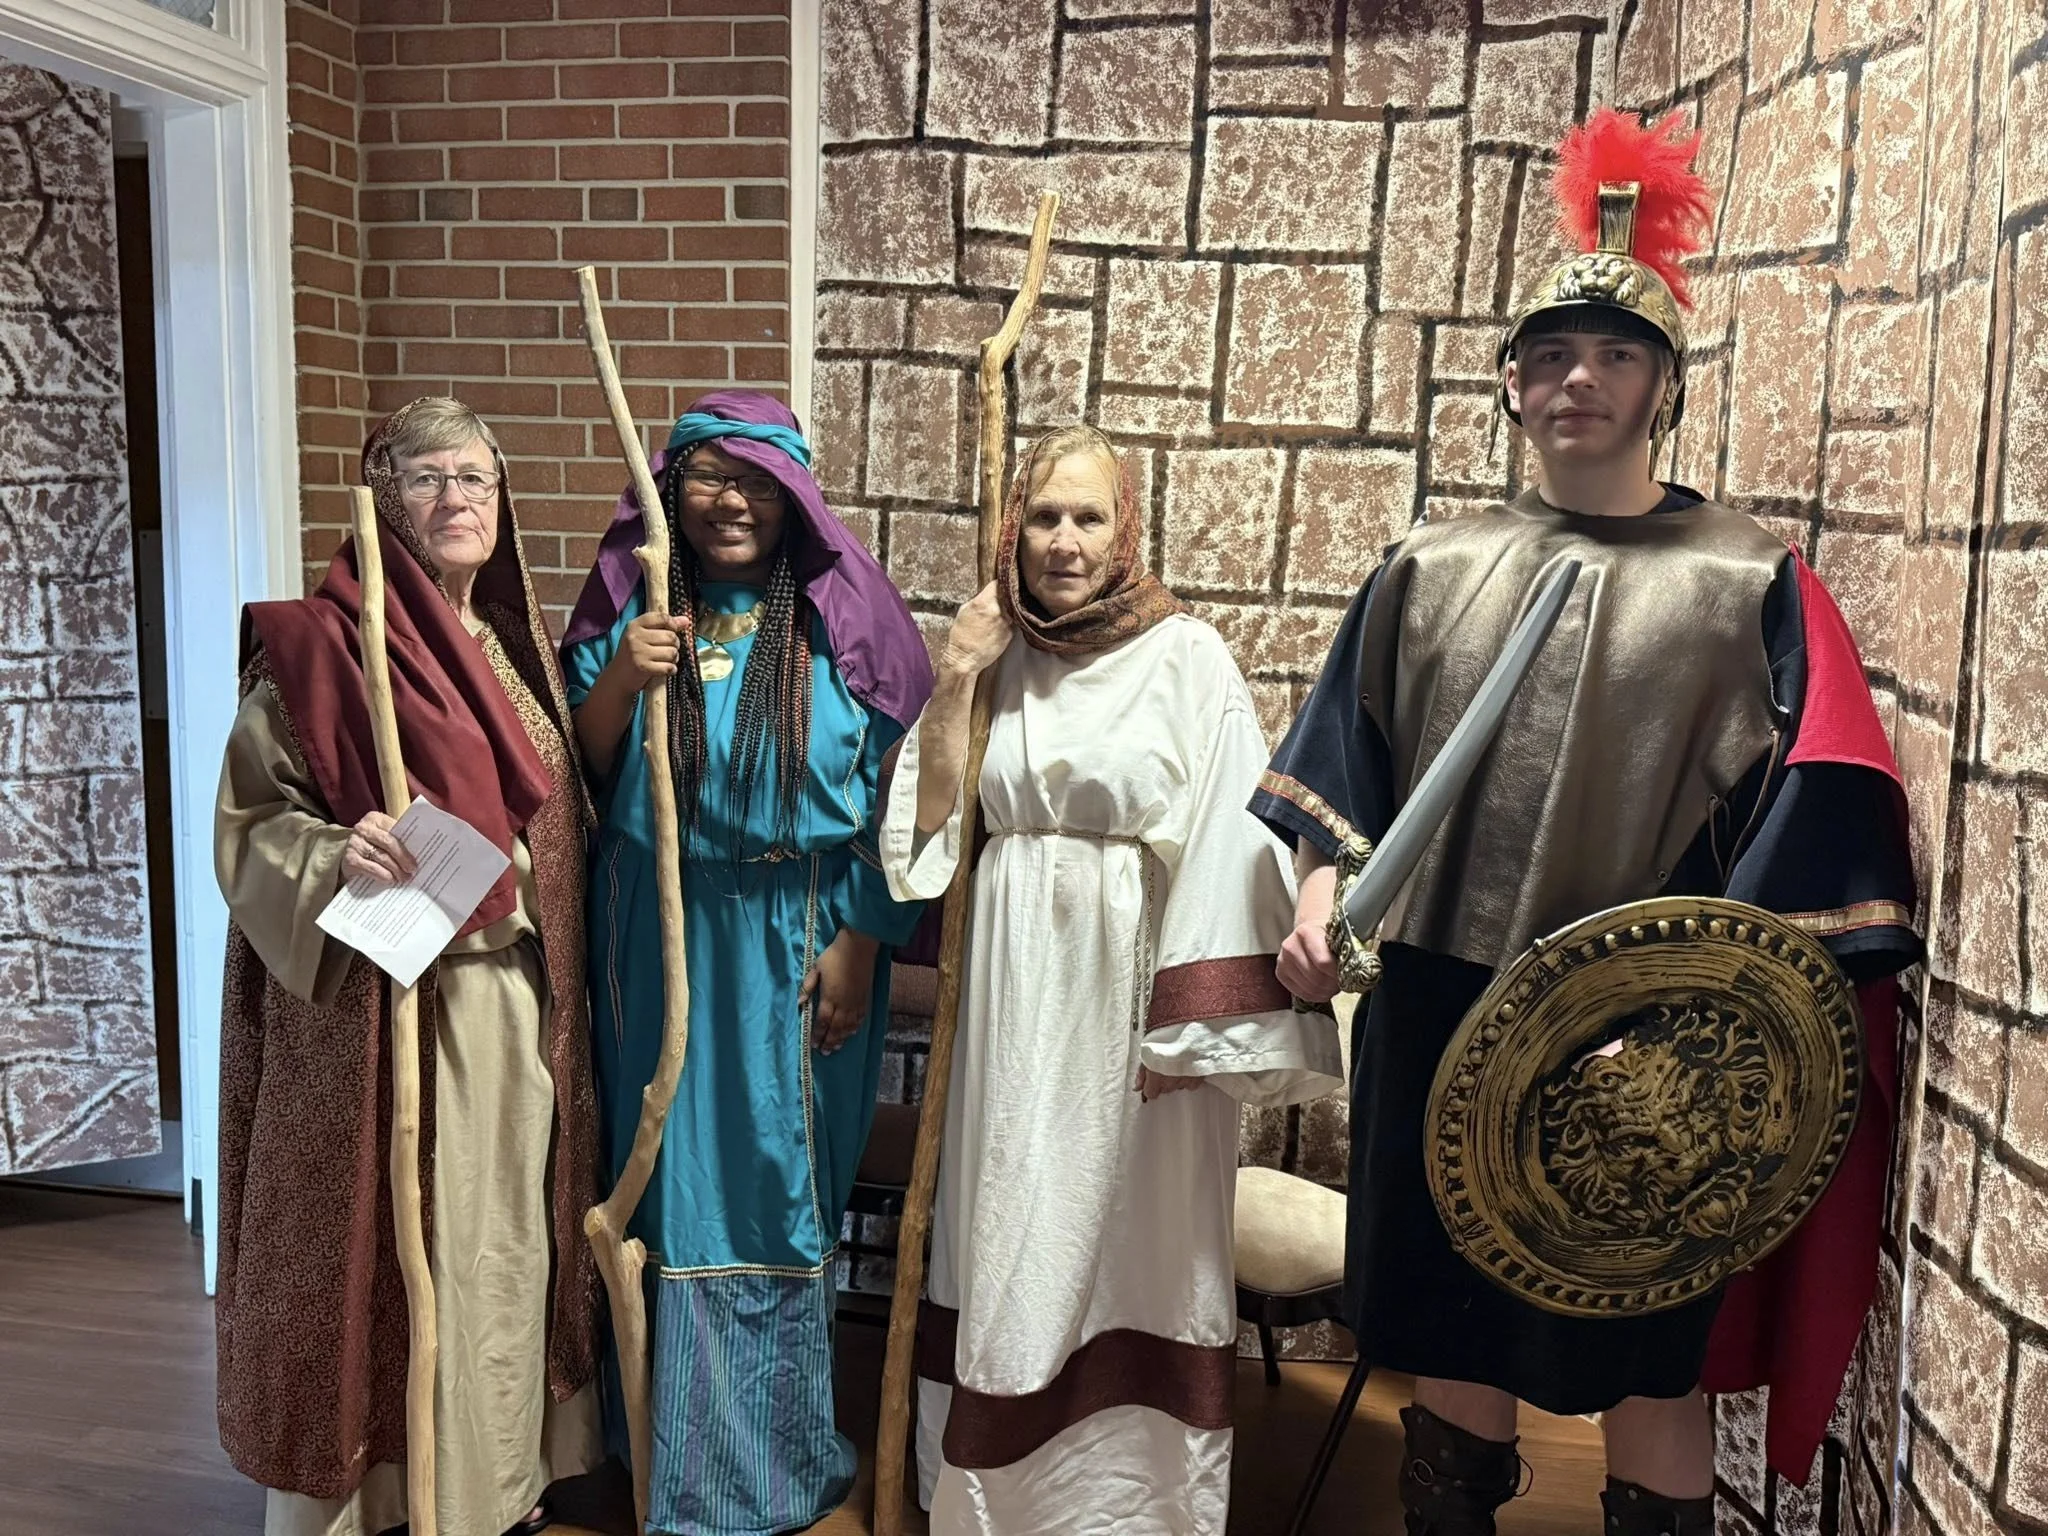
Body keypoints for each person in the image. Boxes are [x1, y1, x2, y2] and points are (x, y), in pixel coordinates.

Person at [1254, 110, 1920, 1535]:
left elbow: (1821, 821)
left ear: (1665, 387)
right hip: (1438, 999)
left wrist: (1712, 1016)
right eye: (1550, 355)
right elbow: (1338, 774)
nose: (1579, 379)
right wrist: (1317, 901)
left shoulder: (1750, 579)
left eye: (1616, 355)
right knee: (1448, 1343)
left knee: (1645, 1368)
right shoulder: (1429, 565)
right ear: (1508, 383)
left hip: (1642, 1037)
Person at [881, 423, 1344, 1536]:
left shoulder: (1185, 654)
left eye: (1086, 516)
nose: (1062, 541)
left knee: (1128, 1230)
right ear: (1013, 529)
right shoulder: (995, 654)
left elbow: (1239, 835)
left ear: (1125, 527)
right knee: (1008, 1212)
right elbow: (929, 833)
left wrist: (1195, 1029)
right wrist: (956, 673)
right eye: (1042, 516)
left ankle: (1127, 1509)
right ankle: (993, 1495)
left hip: (1134, 991)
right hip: (1010, 981)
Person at [213, 398, 605, 1536]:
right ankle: (385, 1499)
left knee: (498, 1246)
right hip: (391, 1019)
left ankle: (489, 1486)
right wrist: (341, 851)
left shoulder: (507, 650)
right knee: (393, 1250)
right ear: (383, 494)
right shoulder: (323, 653)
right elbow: (250, 826)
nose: (457, 501)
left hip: (515, 1012)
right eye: (429, 479)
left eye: (476, 479)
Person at [559, 390, 933, 1536]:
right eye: (711, 479)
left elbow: (903, 799)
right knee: (663, 1177)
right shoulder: (629, 612)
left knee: (782, 1181)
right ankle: (661, 1451)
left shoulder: (845, 626)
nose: (732, 504)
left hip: (804, 935)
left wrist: (861, 943)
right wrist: (628, 672)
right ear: (670, 491)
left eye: (757, 484)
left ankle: (770, 1460)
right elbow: (585, 763)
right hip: (657, 932)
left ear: (795, 503)